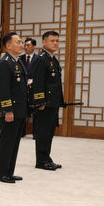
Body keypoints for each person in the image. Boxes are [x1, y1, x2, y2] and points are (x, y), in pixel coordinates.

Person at [0, 32, 28, 183]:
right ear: (8, 45)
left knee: (14, 141)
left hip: (20, 108)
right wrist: (7, 110)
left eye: (22, 42)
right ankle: (0, 173)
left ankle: (9, 171)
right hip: (11, 110)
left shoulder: (18, 61)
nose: (22, 45)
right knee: (7, 141)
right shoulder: (5, 63)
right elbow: (4, 89)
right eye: (18, 42)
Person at [30, 31, 65, 170]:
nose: (55, 43)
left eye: (57, 41)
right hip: (45, 103)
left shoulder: (52, 59)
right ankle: (41, 161)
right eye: (52, 41)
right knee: (43, 132)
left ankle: (47, 158)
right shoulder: (41, 59)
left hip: (53, 102)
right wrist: (40, 103)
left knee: (49, 132)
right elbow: (37, 83)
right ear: (44, 42)